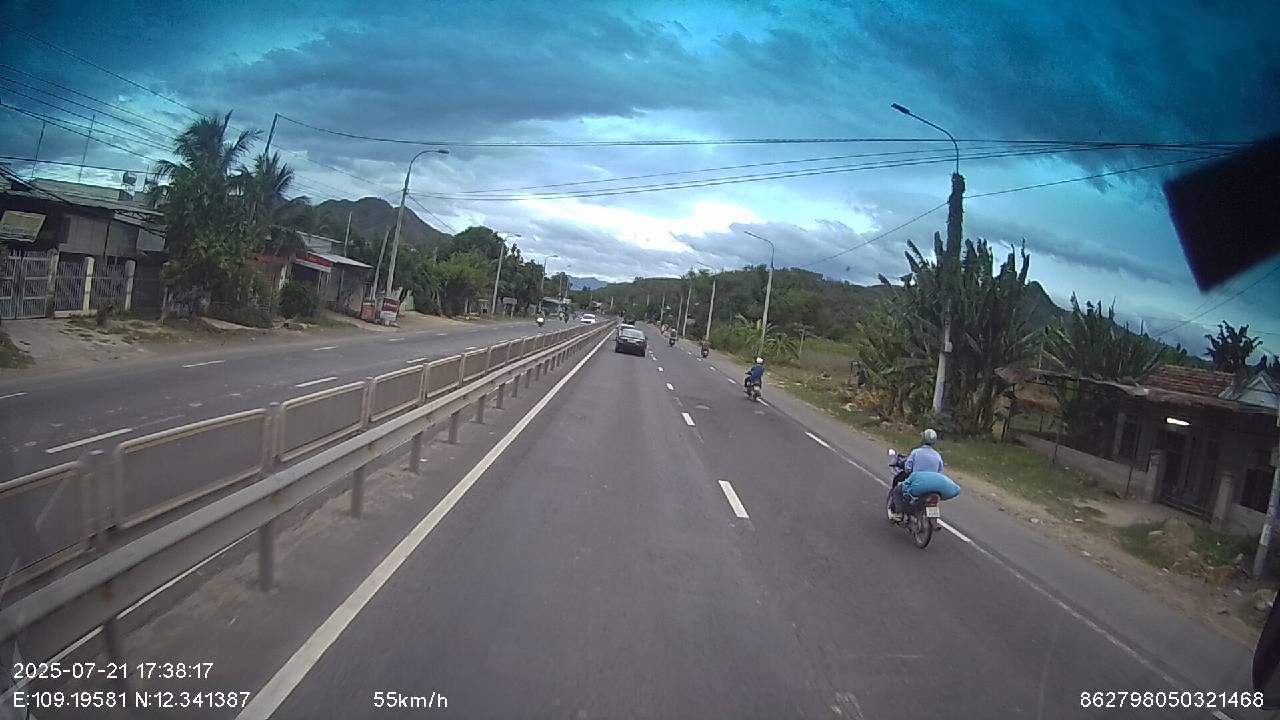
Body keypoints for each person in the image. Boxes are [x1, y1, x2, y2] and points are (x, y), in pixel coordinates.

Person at [888, 428, 945, 521]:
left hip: (917, 483)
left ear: (923, 439)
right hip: (933, 486)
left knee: (897, 491)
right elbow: (939, 470)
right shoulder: (937, 456)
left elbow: (908, 468)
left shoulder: (916, 452)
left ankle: (899, 513)